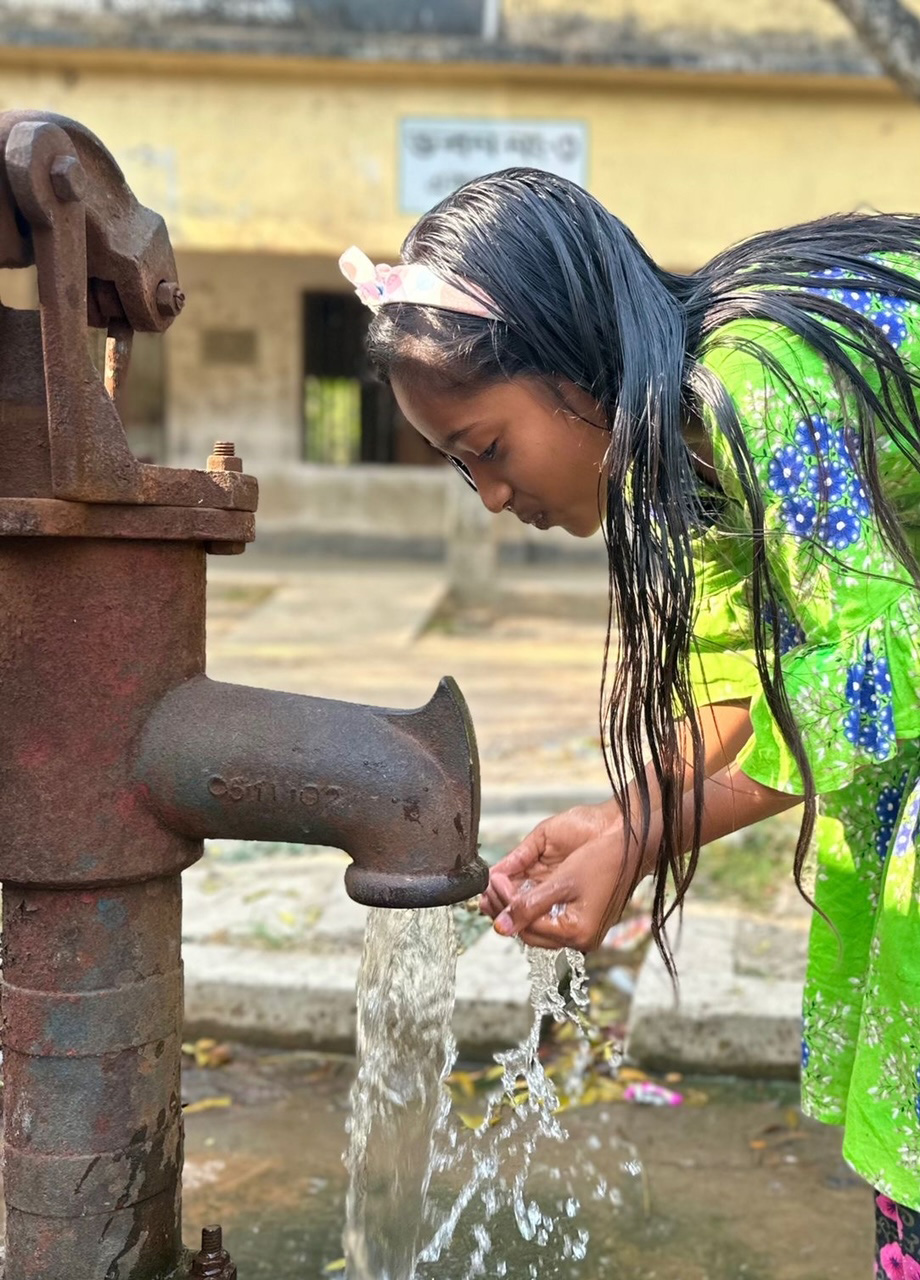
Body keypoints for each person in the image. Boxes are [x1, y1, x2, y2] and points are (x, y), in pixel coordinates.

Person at [339, 168, 920, 1276]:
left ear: (569, 366)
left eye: (488, 448)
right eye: (462, 473)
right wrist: (619, 818)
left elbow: (871, 683)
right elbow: (731, 703)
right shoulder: (682, 453)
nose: (493, 498)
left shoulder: (757, 387)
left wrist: (643, 837)